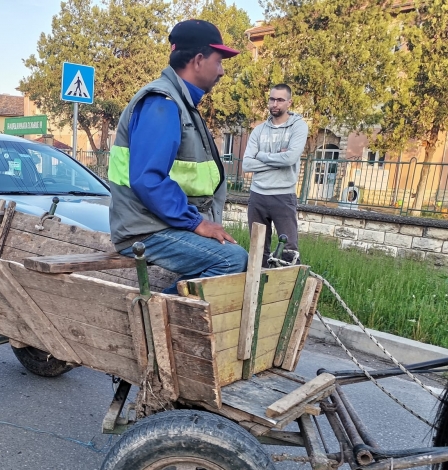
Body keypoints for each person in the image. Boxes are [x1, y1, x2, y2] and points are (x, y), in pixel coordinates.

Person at [108, 19, 248, 293]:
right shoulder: (162, 103)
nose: (221, 72)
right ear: (198, 60)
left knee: (232, 253)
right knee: (232, 261)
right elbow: (148, 179)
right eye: (219, 61)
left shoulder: (183, 104)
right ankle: (150, 321)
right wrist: (196, 222)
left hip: (159, 223)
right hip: (145, 229)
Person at [242, 84, 309, 267]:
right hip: (258, 195)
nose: (275, 104)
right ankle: (258, 292)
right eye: (272, 99)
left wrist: (262, 156)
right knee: (258, 249)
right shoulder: (259, 131)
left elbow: (289, 159)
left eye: (280, 100)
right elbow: (247, 164)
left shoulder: (298, 127)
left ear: (289, 102)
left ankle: (286, 293)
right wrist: (278, 159)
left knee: (288, 251)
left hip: (283, 195)